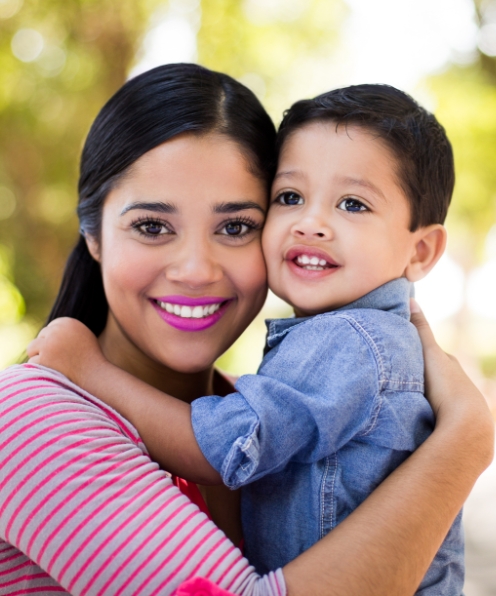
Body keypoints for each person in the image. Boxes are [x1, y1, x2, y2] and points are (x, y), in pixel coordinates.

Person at [2, 64, 492, 596]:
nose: (195, 269)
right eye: (151, 226)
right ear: (94, 236)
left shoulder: (268, 413)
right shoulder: (29, 413)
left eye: (235, 227)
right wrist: (461, 446)